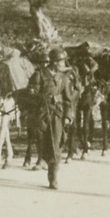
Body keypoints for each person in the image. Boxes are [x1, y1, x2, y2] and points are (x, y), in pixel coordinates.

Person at [27, 47, 76, 189]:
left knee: (56, 143)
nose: (63, 63)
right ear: (54, 62)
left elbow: (68, 99)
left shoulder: (63, 77)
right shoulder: (39, 74)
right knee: (43, 143)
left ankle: (53, 178)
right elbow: (31, 94)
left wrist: (68, 115)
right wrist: (38, 95)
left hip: (57, 114)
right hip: (42, 113)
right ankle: (46, 161)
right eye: (61, 61)